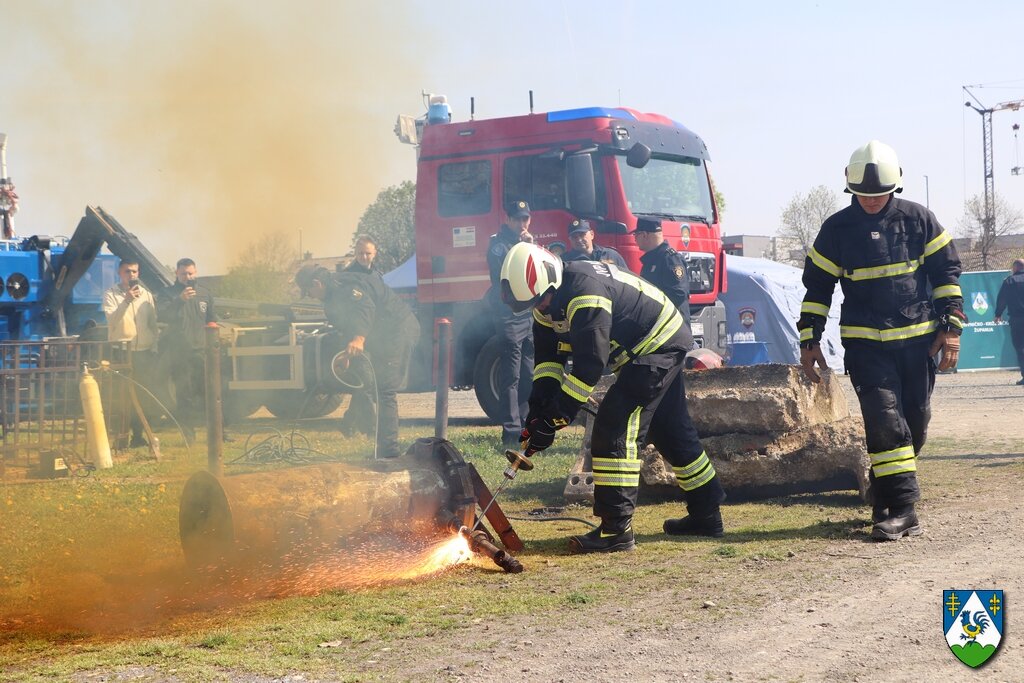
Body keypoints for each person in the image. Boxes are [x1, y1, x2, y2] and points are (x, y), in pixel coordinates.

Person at [500, 242, 724, 554]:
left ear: (552, 280)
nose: (540, 308)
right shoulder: (545, 304)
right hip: (648, 347)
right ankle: (706, 514)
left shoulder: (584, 292)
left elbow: (590, 365)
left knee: (614, 425)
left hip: (657, 344)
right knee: (670, 431)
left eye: (541, 300)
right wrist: (538, 412)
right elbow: (548, 361)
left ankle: (615, 530)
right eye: (533, 305)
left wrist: (556, 417)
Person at [798, 140, 964, 542]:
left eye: (879, 194)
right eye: (863, 195)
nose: (871, 201)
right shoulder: (835, 230)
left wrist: (952, 330)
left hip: (918, 344)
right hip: (865, 346)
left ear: (896, 186)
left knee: (915, 423)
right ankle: (905, 511)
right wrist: (809, 340)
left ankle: (885, 491)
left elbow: (946, 276)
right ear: (850, 188)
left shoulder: (920, 220)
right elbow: (817, 289)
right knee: (885, 421)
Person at [295, 265, 420, 458]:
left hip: (399, 330)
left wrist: (359, 338)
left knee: (385, 390)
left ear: (316, 283)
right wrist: (346, 354)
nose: (310, 296)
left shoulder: (344, 287)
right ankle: (382, 448)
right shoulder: (332, 296)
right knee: (376, 386)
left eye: (308, 291)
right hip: (383, 336)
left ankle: (389, 452)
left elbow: (365, 307)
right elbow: (347, 325)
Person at [486, 199, 535, 447]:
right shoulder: (499, 244)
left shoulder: (526, 243)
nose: (522, 223)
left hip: (527, 315)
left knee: (528, 374)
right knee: (511, 377)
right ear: (508, 220)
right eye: (517, 219)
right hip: (508, 316)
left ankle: (525, 423)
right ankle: (511, 433)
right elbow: (506, 275)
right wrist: (523, 246)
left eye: (525, 218)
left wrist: (531, 246)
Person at [158, 258, 217, 440]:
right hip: (179, 352)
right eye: (184, 274)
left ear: (196, 272)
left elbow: (212, 320)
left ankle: (219, 433)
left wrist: (213, 343)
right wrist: (179, 300)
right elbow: (162, 315)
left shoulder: (205, 293)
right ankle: (189, 437)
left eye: (190, 273)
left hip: (202, 351)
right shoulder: (167, 293)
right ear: (177, 273)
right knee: (185, 395)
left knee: (211, 392)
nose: (187, 277)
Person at [103, 259, 159, 447]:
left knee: (143, 395)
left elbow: (153, 323)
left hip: (143, 351)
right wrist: (126, 300)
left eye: (134, 272)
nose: (131, 275)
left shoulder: (147, 295)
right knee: (122, 395)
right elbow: (112, 320)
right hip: (121, 350)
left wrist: (154, 345)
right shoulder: (111, 294)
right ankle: (120, 437)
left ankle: (139, 436)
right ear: (119, 273)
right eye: (127, 271)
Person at [338, 235, 381, 435]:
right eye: (360, 253)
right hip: (355, 337)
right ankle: (371, 429)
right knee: (365, 380)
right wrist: (355, 337)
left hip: (374, 336)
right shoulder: (348, 277)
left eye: (368, 253)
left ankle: (349, 422)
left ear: (375, 254)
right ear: (355, 254)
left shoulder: (376, 275)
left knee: (366, 382)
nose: (364, 257)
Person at [634, 218, 691, 323]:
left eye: (636, 235)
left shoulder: (670, 259)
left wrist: (651, 309)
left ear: (644, 235)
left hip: (673, 330)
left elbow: (678, 294)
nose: (635, 239)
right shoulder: (652, 259)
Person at [994, 258, 1024, 385]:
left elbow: (1002, 299)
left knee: (1021, 348)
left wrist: (998, 314)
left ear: (1016, 268)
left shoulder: (1009, 281)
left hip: (1017, 320)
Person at [561, 219, 628, 269]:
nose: (579, 240)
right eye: (574, 237)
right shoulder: (565, 261)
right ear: (569, 239)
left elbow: (627, 279)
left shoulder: (611, 255)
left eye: (582, 235)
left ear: (592, 234)